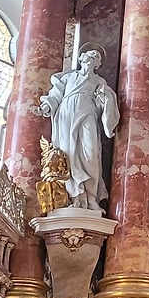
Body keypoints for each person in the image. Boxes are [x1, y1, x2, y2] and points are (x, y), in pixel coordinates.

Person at [39, 50, 119, 210]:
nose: (91, 62)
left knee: (91, 153)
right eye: (88, 59)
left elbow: (104, 102)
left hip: (88, 115)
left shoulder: (99, 81)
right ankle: (75, 198)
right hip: (66, 117)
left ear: (97, 65)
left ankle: (91, 198)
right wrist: (46, 106)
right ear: (81, 60)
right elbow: (55, 96)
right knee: (69, 155)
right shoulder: (67, 78)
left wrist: (105, 97)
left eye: (94, 60)